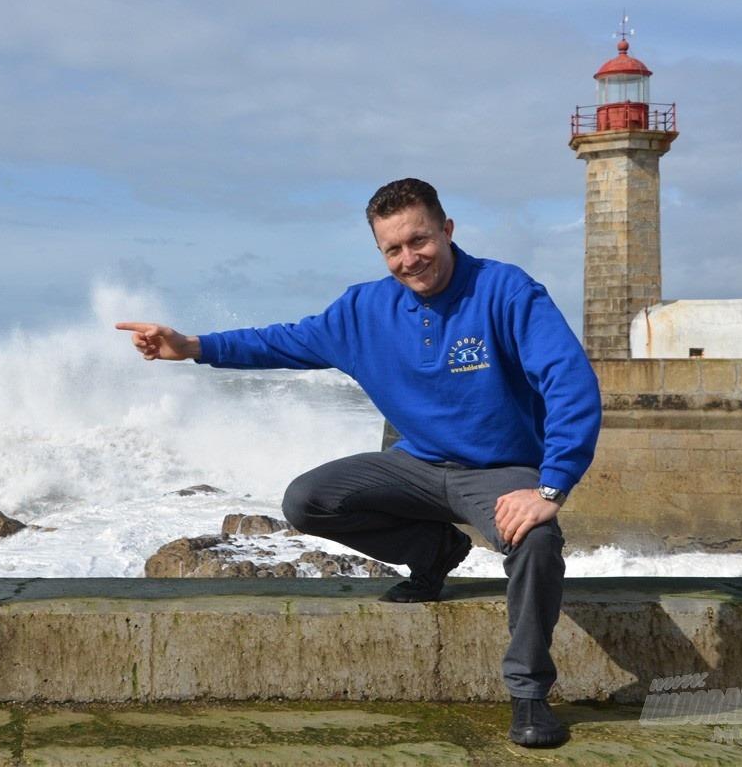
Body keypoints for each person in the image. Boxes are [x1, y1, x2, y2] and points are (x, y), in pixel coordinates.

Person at [117, 177, 601, 748]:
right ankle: (434, 552)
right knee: (307, 499)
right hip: (415, 464)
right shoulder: (363, 310)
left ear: (447, 231)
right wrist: (194, 347)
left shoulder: (506, 291)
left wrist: (549, 490)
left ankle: (527, 693)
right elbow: (283, 341)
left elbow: (570, 383)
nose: (408, 258)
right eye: (392, 249)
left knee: (537, 542)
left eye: (419, 241)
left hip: (498, 472)